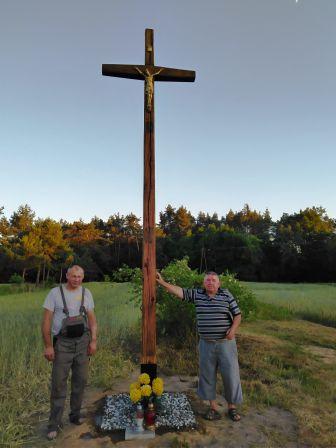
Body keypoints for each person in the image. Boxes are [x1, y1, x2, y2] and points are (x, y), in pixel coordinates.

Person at [156, 270, 242, 421]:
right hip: (206, 344)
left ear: (219, 283)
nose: (210, 282)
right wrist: (162, 283)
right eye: (208, 280)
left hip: (226, 344)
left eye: (213, 280)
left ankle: (232, 408)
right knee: (207, 376)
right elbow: (179, 292)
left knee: (231, 375)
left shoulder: (226, 295)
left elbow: (237, 315)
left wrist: (233, 330)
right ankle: (213, 408)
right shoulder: (198, 295)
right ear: (204, 283)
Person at [41, 265, 97, 440]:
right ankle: (54, 424)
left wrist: (93, 341)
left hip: (82, 343)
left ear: (83, 277)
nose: (77, 279)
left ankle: (75, 415)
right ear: (67, 275)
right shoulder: (54, 294)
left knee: (80, 381)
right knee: (59, 384)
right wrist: (49, 346)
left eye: (80, 276)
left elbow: (93, 321)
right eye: (73, 276)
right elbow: (46, 323)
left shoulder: (87, 294)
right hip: (62, 345)